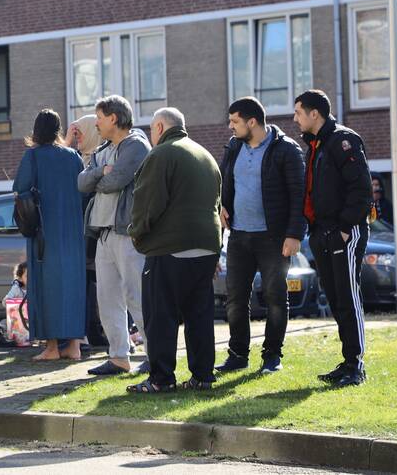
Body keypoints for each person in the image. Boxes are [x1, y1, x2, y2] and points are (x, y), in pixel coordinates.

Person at [128, 107, 222, 394]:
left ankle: (161, 378)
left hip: (170, 245)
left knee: (161, 315)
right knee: (200, 314)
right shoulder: (205, 155)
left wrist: (137, 234)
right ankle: (203, 375)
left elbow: (148, 202)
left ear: (159, 127)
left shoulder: (161, 155)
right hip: (207, 246)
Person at [215, 97, 306, 375]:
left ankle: (272, 356)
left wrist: (293, 235)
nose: (230, 126)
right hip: (240, 236)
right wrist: (222, 206)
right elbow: (224, 180)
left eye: (235, 121)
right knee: (235, 299)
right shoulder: (233, 147)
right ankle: (238, 355)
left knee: (275, 297)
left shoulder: (286, 150)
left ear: (251, 122)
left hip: (273, 238)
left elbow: (299, 196)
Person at [294, 89, 372, 388]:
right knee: (337, 298)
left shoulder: (342, 140)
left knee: (348, 297)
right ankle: (347, 361)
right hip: (321, 233)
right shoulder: (316, 145)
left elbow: (361, 189)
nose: (295, 118)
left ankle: (357, 365)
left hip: (343, 232)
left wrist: (344, 227)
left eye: (299, 112)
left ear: (315, 114)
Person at [78, 96, 151, 376]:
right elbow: (81, 182)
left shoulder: (136, 145)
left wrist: (99, 178)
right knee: (107, 298)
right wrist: (99, 173)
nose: (95, 123)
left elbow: (116, 181)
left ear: (113, 118)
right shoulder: (103, 148)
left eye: (98, 117)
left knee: (137, 296)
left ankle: (154, 355)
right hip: (104, 235)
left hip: (128, 233)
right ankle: (119, 357)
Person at [13, 109, 86, 361]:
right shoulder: (73, 156)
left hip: (45, 233)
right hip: (73, 233)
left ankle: (52, 348)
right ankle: (74, 347)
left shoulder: (33, 156)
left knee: (46, 289)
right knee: (74, 287)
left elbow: (20, 188)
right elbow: (83, 190)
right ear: (58, 129)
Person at [67, 114, 107, 347]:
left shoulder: (97, 160)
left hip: (95, 235)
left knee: (97, 284)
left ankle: (97, 332)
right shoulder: (80, 160)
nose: (76, 138)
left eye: (79, 133)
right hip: (83, 236)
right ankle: (91, 332)